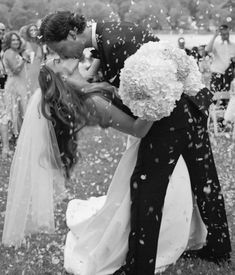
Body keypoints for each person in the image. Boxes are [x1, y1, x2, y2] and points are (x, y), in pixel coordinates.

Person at [39, 12, 231, 274]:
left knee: (145, 189)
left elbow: (151, 89)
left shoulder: (115, 44)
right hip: (190, 110)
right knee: (205, 180)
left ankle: (139, 266)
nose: (64, 55)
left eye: (60, 48)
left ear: (72, 34)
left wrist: (149, 112)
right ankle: (219, 248)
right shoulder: (112, 32)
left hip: (168, 120)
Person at [2, 32, 31, 136]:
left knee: (23, 112)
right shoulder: (8, 53)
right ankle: (17, 137)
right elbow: (15, 70)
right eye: (13, 40)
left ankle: (23, 136)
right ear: (9, 42)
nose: (16, 42)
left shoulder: (16, 52)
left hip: (22, 84)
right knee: (16, 113)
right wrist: (24, 59)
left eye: (17, 39)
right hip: (14, 86)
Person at [206, 24, 235, 96]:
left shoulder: (233, 45)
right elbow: (207, 50)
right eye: (223, 34)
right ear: (220, 34)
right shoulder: (216, 43)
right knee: (214, 97)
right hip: (217, 74)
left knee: (228, 98)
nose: (226, 35)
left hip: (229, 76)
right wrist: (214, 36)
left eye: (227, 33)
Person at [0, 22, 11, 157]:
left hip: (6, 83)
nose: (1, 33)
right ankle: (5, 148)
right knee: (3, 115)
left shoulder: (5, 46)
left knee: (5, 115)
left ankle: (6, 147)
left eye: (3, 31)